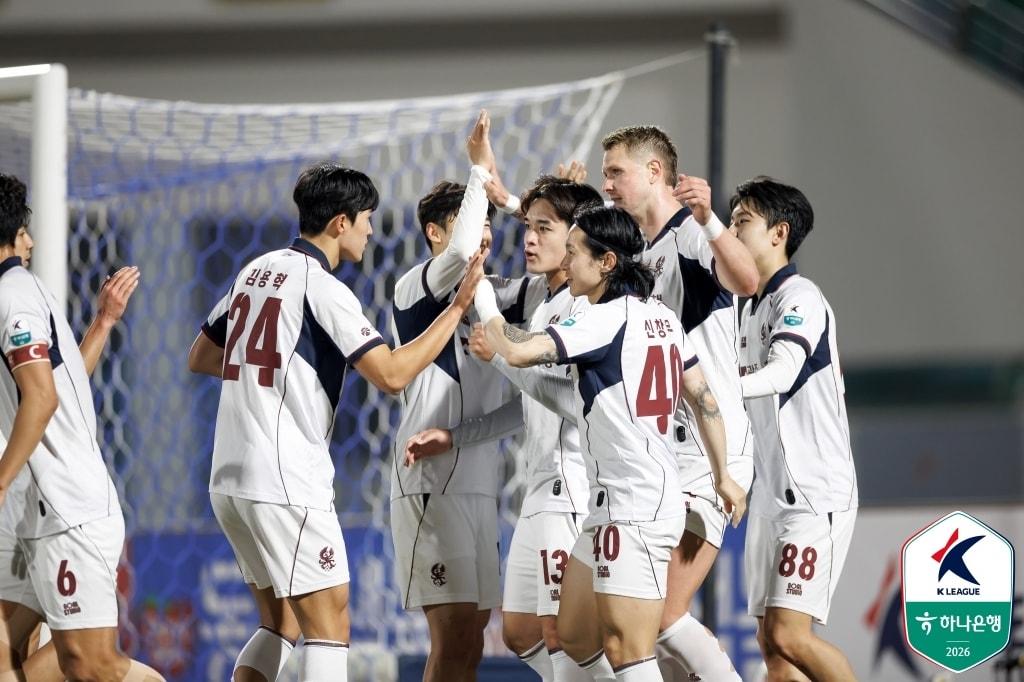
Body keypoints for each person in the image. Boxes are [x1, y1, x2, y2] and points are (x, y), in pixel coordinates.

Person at [187, 162, 485, 682]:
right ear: (340, 222)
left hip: (230, 478)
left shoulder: (254, 271)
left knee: (279, 624)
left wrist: (265, 382)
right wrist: (457, 309)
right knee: (330, 625)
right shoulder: (322, 288)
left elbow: (202, 356)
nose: (371, 230)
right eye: (366, 218)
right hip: (286, 478)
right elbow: (391, 374)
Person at [473, 206, 746, 682]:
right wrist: (723, 474)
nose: (567, 262)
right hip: (613, 503)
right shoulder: (661, 317)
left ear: (607, 262)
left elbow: (516, 350)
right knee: (576, 635)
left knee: (628, 650)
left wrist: (482, 298)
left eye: (574, 253)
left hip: (635, 506)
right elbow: (704, 399)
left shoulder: (603, 320)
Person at [404, 177, 603, 681]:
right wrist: (458, 434)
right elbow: (528, 406)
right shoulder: (542, 305)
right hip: (533, 488)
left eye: (543, 229)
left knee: (559, 632)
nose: (527, 238)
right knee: (518, 632)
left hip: (569, 486)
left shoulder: (586, 311)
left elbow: (572, 402)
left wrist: (501, 358)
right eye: (527, 227)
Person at [388, 112, 548, 682]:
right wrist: (480, 171)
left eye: (485, 225)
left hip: (480, 486)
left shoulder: (496, 298)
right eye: (466, 222)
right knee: (452, 632)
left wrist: (548, 212)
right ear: (436, 233)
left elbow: (563, 270)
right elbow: (460, 256)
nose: (481, 233)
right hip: (430, 484)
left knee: (473, 639)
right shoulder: (418, 287)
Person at [601, 125, 758, 680]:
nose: (608, 184)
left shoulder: (690, 234)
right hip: (668, 455)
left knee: (661, 614)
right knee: (645, 619)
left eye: (616, 172)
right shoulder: (640, 254)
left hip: (713, 451)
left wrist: (711, 219)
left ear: (654, 172)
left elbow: (746, 279)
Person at [0, 172, 162, 681]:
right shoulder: (22, 294)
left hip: (66, 509)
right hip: (32, 514)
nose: (31, 241)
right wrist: (104, 323)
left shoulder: (13, 297)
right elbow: (62, 389)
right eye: (22, 230)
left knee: (90, 666)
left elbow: (43, 398)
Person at [729, 177, 857, 682]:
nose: (731, 233)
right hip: (769, 496)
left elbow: (782, 373)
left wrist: (717, 388)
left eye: (742, 222)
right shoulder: (745, 306)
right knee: (771, 647)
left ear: (778, 233)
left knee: (789, 634)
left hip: (813, 491)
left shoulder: (800, 296)